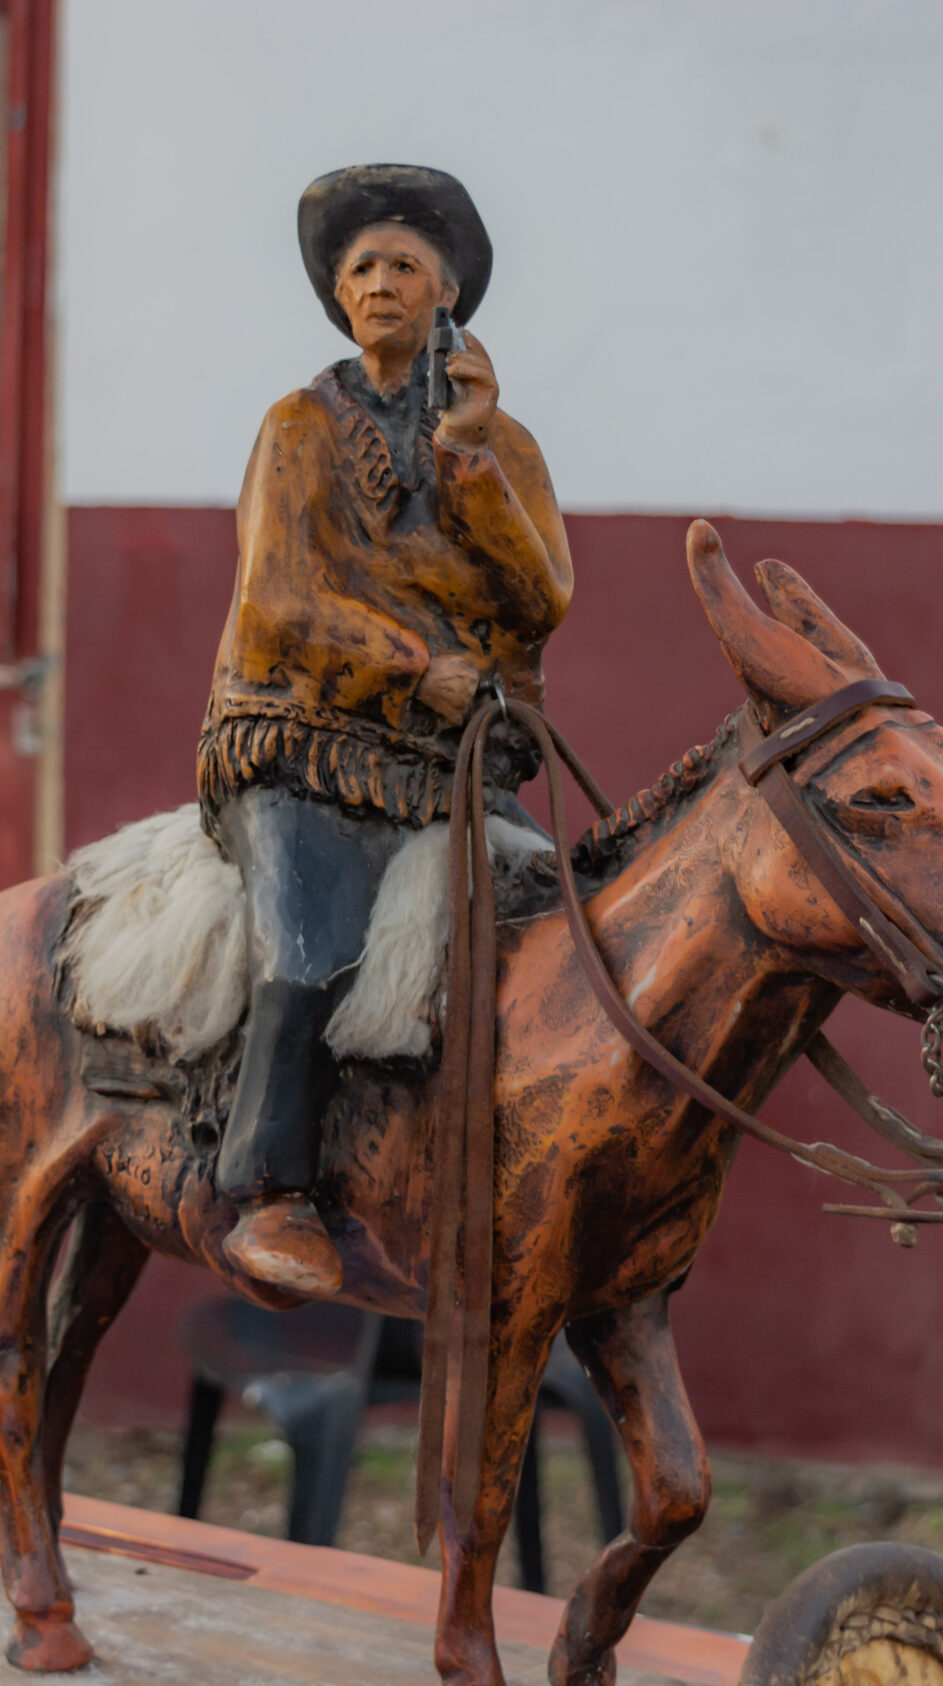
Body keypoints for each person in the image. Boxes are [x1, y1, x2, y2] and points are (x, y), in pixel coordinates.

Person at [200, 164, 574, 1298]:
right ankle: (269, 1191)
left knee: (561, 939)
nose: (376, 284)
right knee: (310, 946)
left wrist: (467, 453)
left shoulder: (500, 446)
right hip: (304, 740)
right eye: (359, 267)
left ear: (447, 294)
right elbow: (279, 600)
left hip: (448, 763)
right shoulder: (296, 428)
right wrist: (417, 668)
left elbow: (541, 597)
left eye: (403, 265)